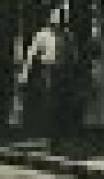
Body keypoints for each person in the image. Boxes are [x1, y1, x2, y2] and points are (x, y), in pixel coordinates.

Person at [20, 8, 71, 139]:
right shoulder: (42, 35)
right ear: (51, 19)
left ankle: (58, 130)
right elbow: (31, 55)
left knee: (61, 100)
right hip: (47, 69)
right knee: (47, 99)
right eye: (57, 18)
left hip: (61, 69)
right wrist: (25, 73)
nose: (59, 21)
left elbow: (70, 53)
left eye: (62, 19)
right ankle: (45, 130)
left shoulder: (66, 35)